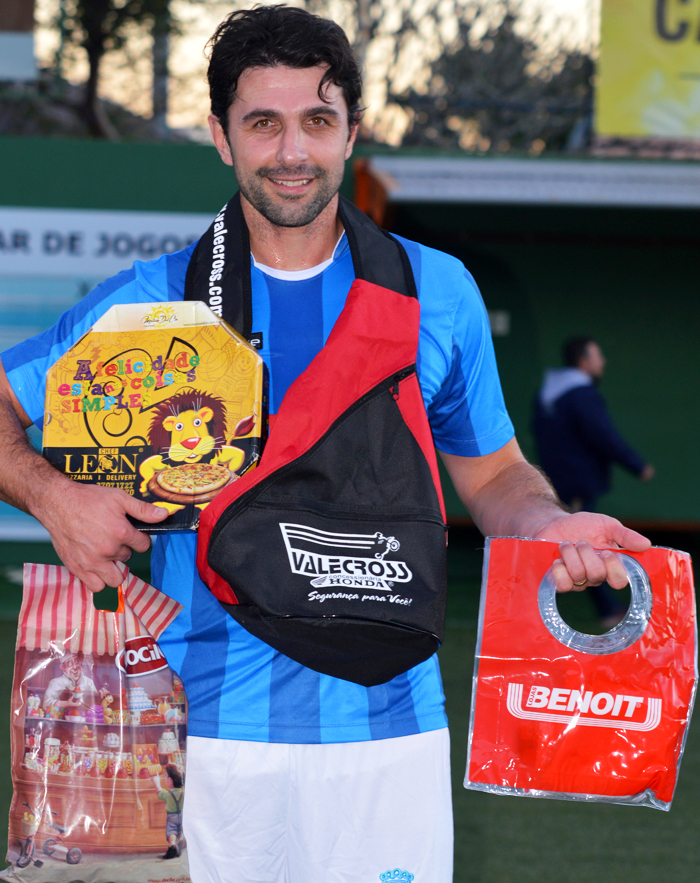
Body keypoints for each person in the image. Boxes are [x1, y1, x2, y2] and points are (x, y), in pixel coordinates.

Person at [0, 7, 650, 882]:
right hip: (205, 738)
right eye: (262, 123)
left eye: (317, 120)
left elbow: (494, 472)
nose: (292, 151)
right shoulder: (153, 304)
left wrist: (546, 521)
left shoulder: (436, 290)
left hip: (392, 735)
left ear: (354, 130)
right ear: (222, 139)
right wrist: (54, 496)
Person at [533, 337, 654, 626]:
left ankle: (603, 608)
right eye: (599, 356)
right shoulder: (581, 395)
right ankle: (606, 610)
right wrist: (637, 465)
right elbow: (604, 436)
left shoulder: (549, 393)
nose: (603, 362)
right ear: (584, 361)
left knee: (568, 547)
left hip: (554, 480)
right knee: (584, 547)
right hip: (575, 484)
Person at [153, 764, 185, 860]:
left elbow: (159, 792)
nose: (165, 778)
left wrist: (157, 783)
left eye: (166, 776)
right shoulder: (184, 793)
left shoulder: (168, 795)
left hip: (172, 817)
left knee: (172, 831)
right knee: (180, 830)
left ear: (170, 780)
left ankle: (172, 844)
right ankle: (179, 842)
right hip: (182, 816)